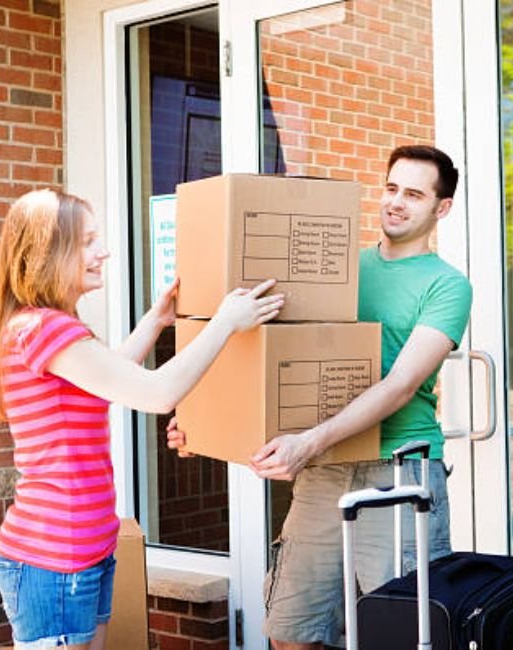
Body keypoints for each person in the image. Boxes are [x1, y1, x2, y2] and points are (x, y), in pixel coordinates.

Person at [169, 145, 473, 649]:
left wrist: (308, 442)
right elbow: (264, 352)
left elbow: (400, 385)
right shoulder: (338, 273)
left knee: (403, 636)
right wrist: (203, 421)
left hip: (395, 470)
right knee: (290, 629)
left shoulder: (447, 285)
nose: (395, 203)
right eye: (391, 188)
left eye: (414, 195)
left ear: (441, 208)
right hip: (324, 467)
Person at [0, 188, 284, 650]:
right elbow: (157, 393)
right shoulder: (45, 328)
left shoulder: (40, 327)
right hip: (54, 558)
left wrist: (156, 321)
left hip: (85, 550)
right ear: (47, 252)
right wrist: (225, 322)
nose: (102, 251)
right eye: (86, 241)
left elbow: (108, 380)